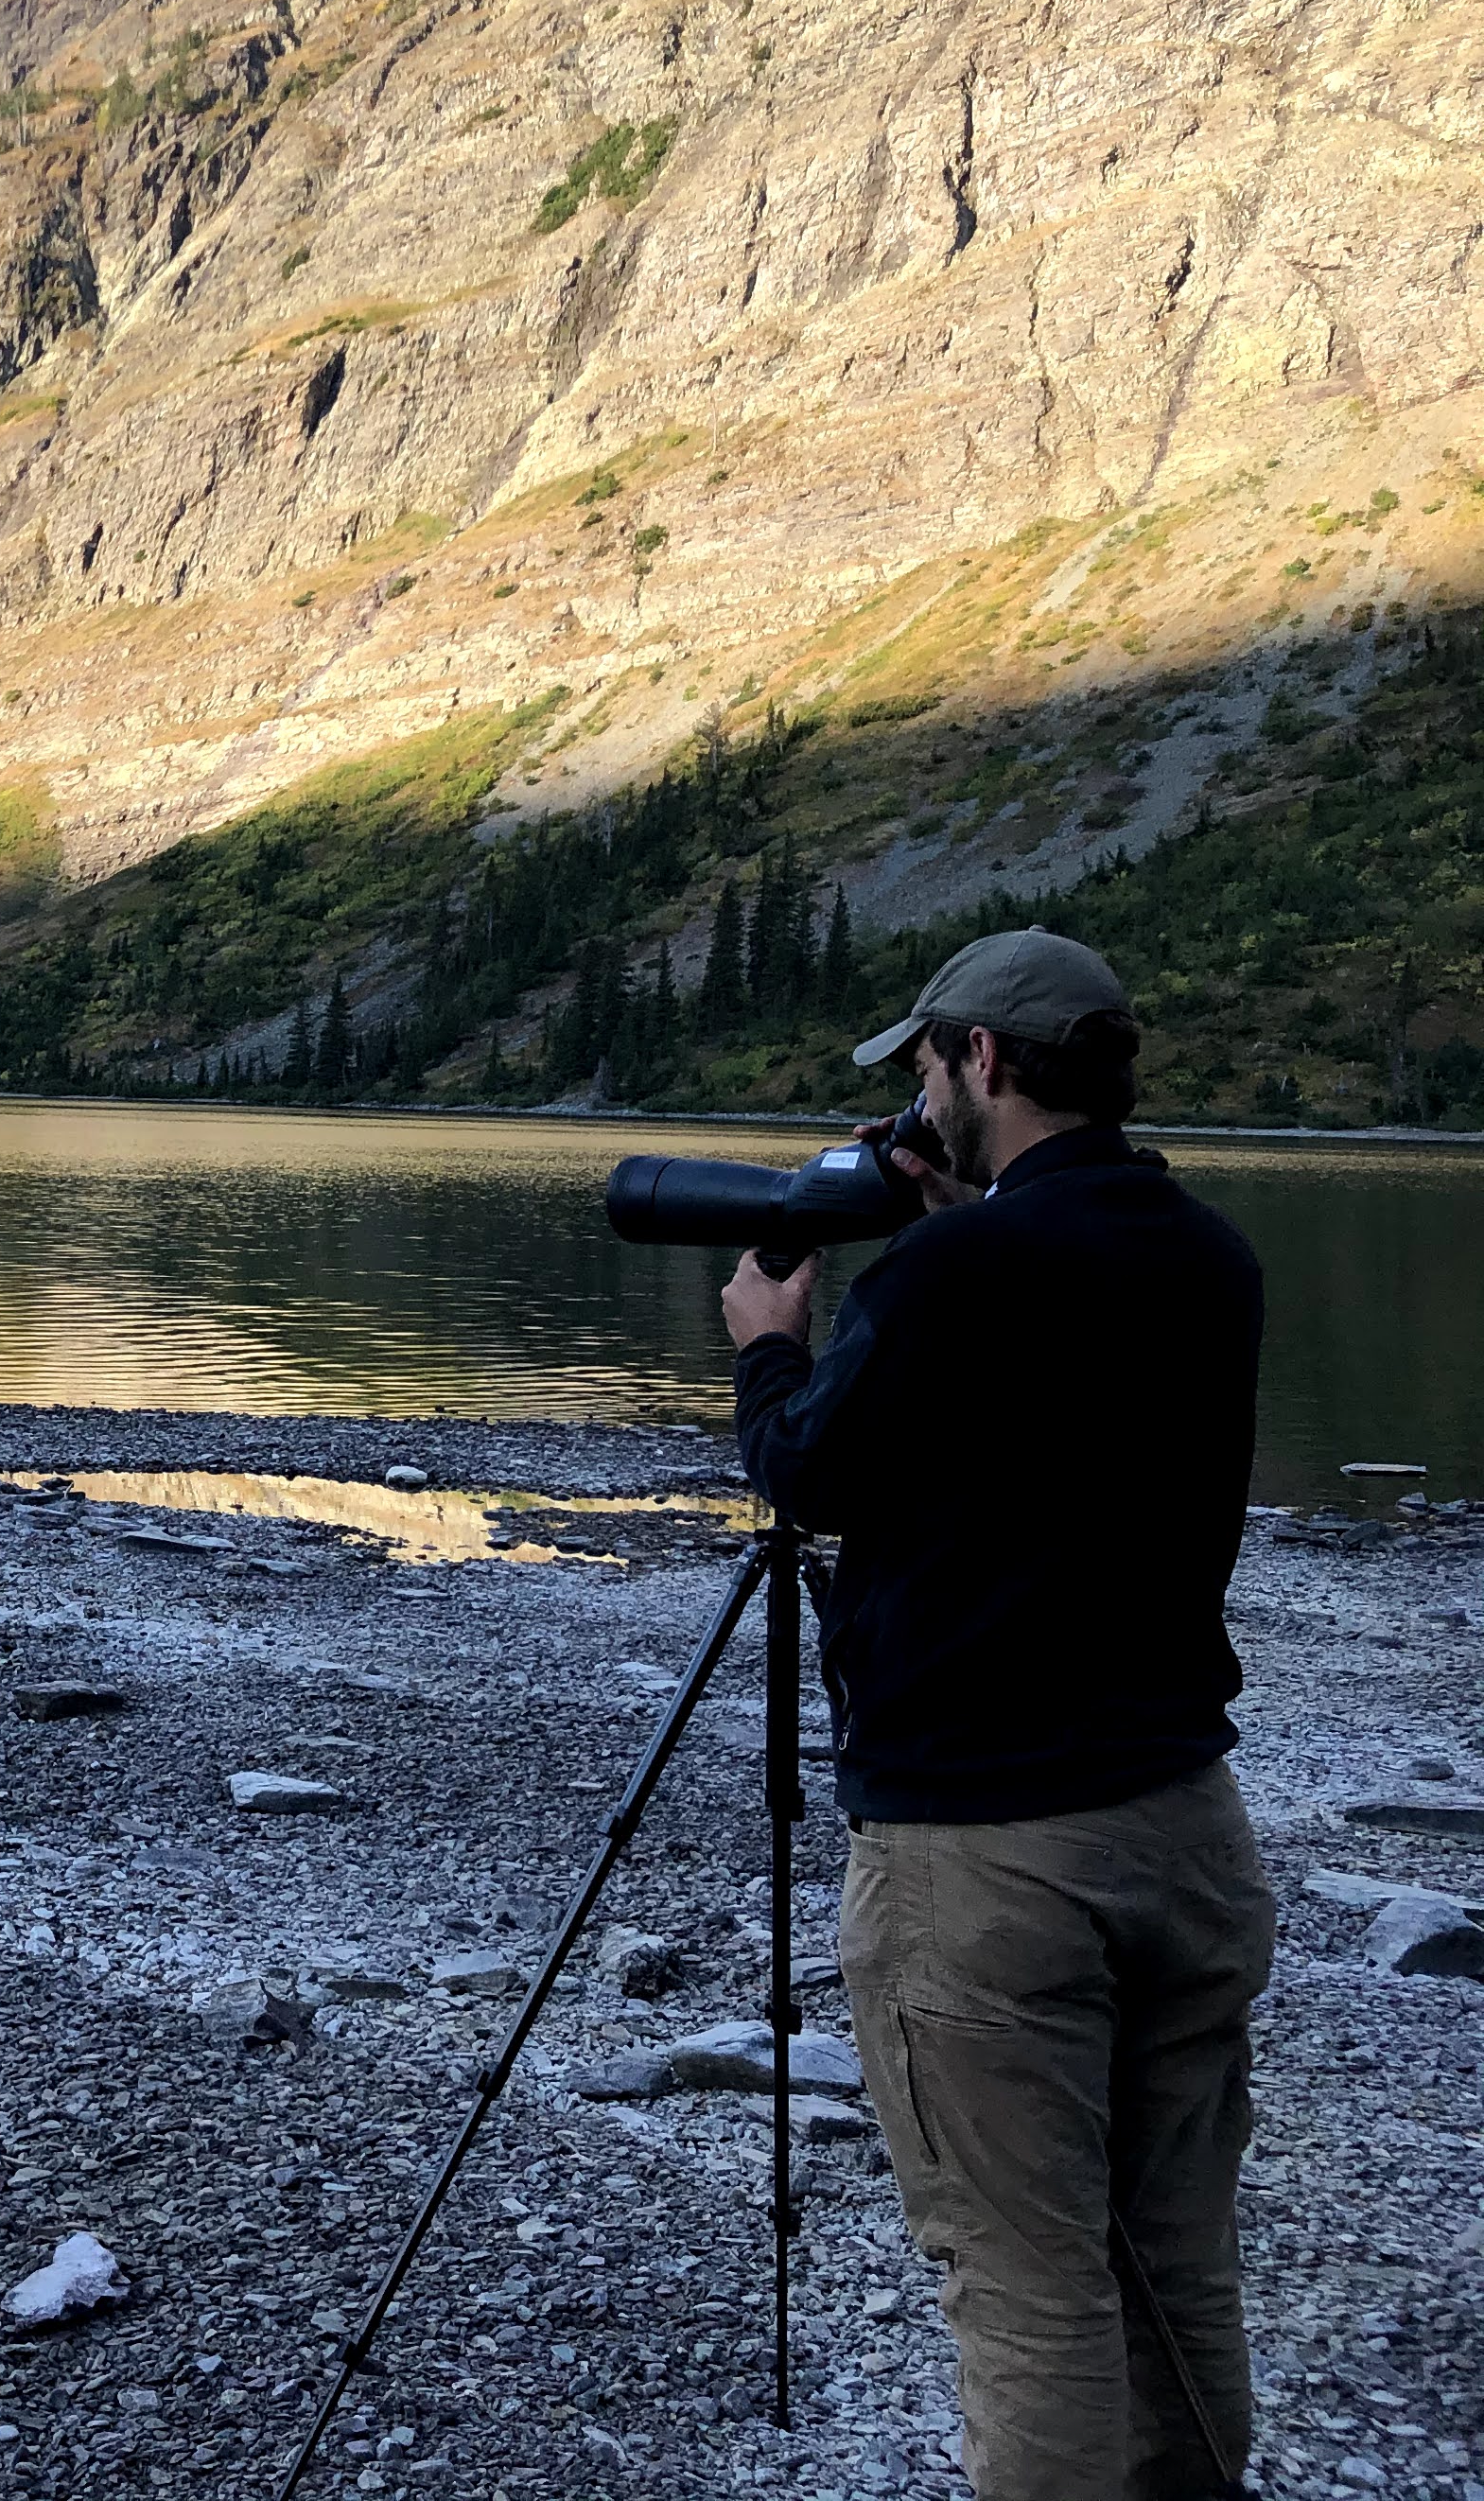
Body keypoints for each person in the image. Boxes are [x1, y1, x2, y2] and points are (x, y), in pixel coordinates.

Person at [719, 928, 1273, 2501]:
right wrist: (974, 1227)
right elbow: (1055, 1442)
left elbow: (814, 1472)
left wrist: (770, 1353)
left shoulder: (961, 1273)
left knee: (1025, 2289)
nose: (913, 1088)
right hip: (1183, 1825)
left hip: (985, 1852)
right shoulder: (1206, 1251)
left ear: (981, 1061)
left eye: (924, 1058)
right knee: (1175, 2269)